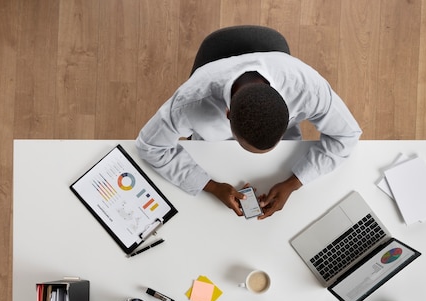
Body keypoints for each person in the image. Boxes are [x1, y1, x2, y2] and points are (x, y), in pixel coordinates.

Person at [135, 51, 362, 219]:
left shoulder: (306, 88)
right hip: (211, 153)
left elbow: (348, 135)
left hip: (283, 160)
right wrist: (211, 186)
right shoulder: (190, 102)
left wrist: (295, 182)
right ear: (228, 115)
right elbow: (148, 146)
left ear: (288, 111)